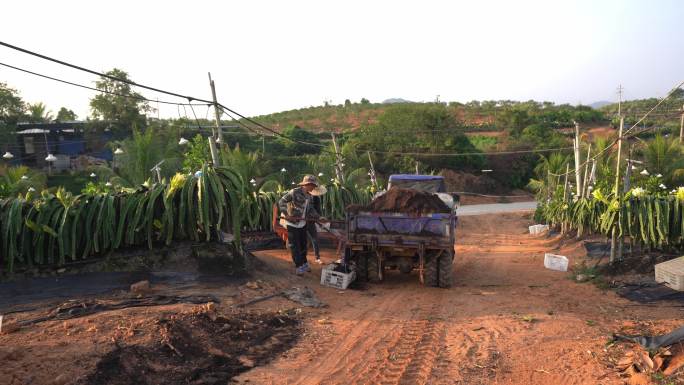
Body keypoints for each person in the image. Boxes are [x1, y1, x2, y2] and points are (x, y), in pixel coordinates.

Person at [278, 175, 325, 275]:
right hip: (292, 223)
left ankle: (304, 263)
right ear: (307, 184)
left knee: (303, 244)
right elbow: (281, 202)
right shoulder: (294, 192)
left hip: (302, 223)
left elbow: (310, 209)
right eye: (313, 186)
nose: (313, 188)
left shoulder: (309, 195)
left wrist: (319, 217)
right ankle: (298, 266)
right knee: (295, 246)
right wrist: (286, 214)